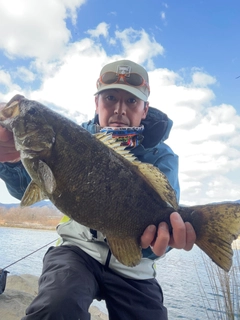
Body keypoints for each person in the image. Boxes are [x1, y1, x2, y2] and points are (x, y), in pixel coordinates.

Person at [0, 60, 196, 320]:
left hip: (135, 268)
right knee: (57, 305)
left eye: (132, 102)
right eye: (110, 98)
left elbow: (163, 217)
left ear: (145, 109)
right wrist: (9, 160)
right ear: (96, 103)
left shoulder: (162, 157)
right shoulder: (77, 136)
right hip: (76, 252)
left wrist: (159, 244)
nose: (119, 109)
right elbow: (27, 188)